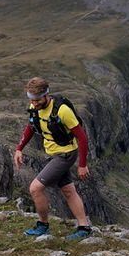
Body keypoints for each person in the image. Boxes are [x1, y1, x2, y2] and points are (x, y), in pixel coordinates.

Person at [13, 77, 94, 241]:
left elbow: (82, 138)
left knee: (35, 188)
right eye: (31, 100)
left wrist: (82, 165)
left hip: (65, 155)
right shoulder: (34, 106)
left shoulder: (62, 110)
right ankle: (84, 227)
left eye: (37, 100)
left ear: (45, 95)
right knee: (68, 190)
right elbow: (31, 126)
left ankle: (42, 225)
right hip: (54, 154)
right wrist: (19, 149)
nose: (34, 104)